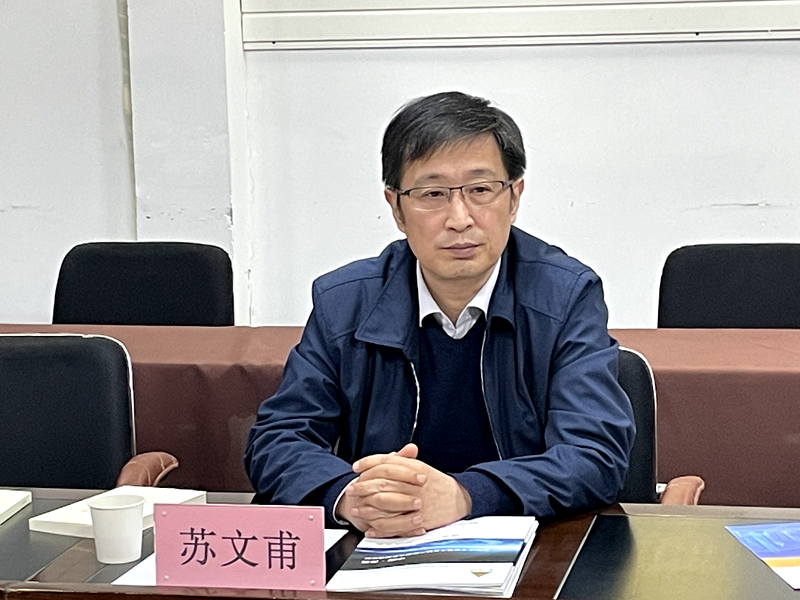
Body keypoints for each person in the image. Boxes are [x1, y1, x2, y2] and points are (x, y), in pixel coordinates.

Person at [245, 91, 635, 538]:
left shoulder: (565, 296)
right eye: (432, 194)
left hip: (526, 543)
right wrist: (347, 496)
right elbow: (278, 439)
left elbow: (595, 454)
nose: (460, 218)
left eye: (481, 190)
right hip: (381, 543)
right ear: (396, 208)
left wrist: (466, 495)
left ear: (514, 197)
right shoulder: (345, 302)